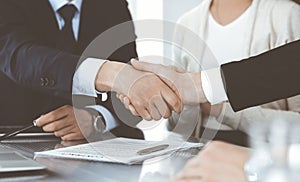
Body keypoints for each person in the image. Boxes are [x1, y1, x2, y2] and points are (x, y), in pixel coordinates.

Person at [0, 0, 182, 141]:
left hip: (98, 151)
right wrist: (114, 75)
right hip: (17, 141)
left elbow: (131, 97)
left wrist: (98, 118)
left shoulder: (112, 5)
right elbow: (19, 57)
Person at [120, 0, 300, 137]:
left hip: (261, 159)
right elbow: (177, 127)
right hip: (196, 158)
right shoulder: (188, 23)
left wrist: (217, 109)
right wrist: (170, 98)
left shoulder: (286, 17)